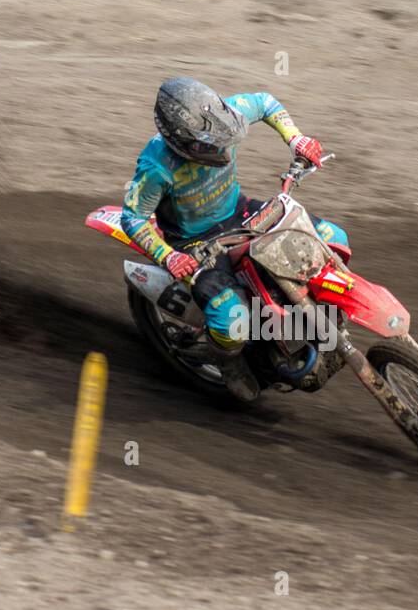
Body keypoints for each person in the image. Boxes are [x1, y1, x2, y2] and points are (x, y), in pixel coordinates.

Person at [120, 77, 348, 401]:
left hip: (240, 212)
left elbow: (266, 102)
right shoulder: (156, 166)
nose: (220, 147)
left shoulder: (225, 116)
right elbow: (132, 217)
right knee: (233, 323)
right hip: (195, 242)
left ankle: (321, 319)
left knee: (333, 238)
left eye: (223, 138)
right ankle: (227, 361)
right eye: (208, 145)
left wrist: (296, 139)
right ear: (178, 141)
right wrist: (169, 257)